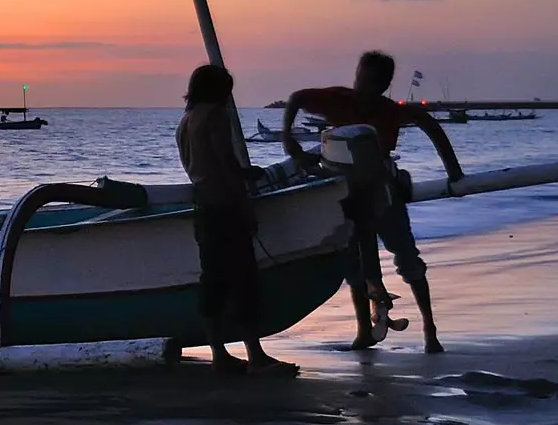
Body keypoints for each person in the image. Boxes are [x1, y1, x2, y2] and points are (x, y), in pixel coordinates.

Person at [281, 51, 464, 354]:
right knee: (354, 263)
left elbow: (432, 126)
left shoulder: (391, 111)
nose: (363, 87)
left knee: (408, 258)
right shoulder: (338, 99)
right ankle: (363, 330)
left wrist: (453, 171)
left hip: (382, 191)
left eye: (371, 82)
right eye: (360, 78)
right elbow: (296, 98)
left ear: (384, 85)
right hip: (345, 194)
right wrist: (289, 141)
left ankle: (430, 330)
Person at [176, 64, 294, 374]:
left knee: (213, 281)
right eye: (227, 89)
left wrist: (241, 172)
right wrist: (244, 205)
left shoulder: (186, 121)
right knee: (244, 279)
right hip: (225, 207)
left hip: (203, 207)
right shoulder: (216, 115)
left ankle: (219, 352)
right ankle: (255, 355)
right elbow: (225, 162)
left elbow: (201, 165)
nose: (230, 97)